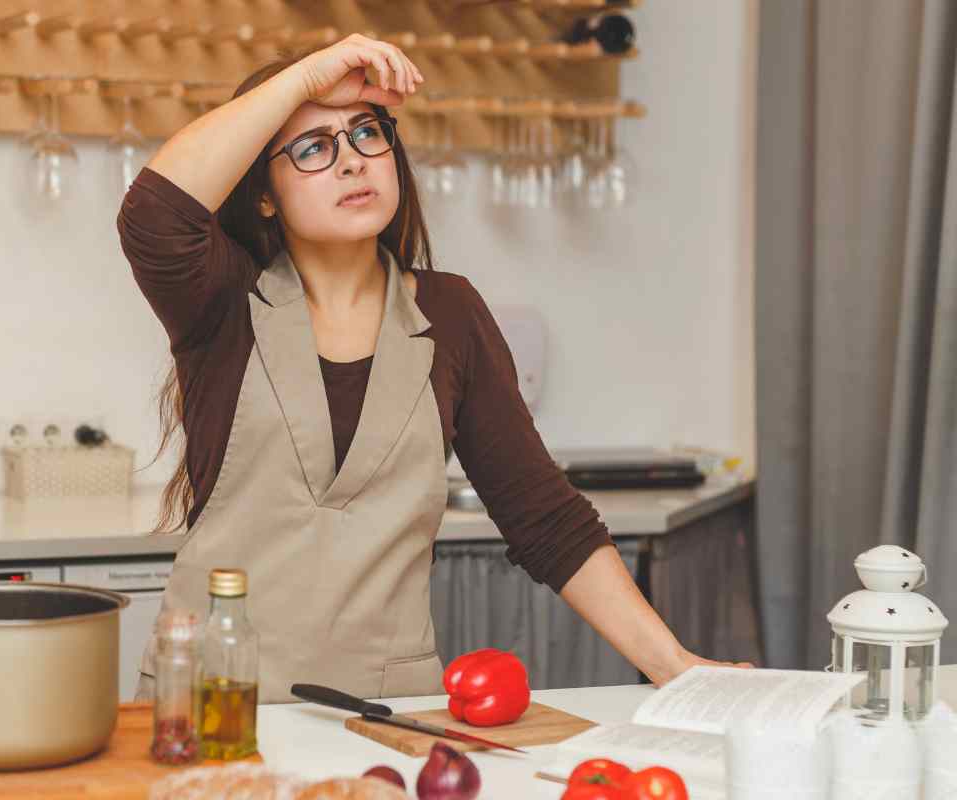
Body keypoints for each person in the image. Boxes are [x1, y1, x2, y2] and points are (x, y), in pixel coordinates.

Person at [119, 34, 749, 704]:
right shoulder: (222, 300)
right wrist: (305, 77)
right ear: (264, 196)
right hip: (210, 700)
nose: (352, 163)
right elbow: (154, 214)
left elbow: (545, 517)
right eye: (312, 147)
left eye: (367, 134)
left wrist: (676, 667)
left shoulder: (451, 314)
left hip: (383, 712)